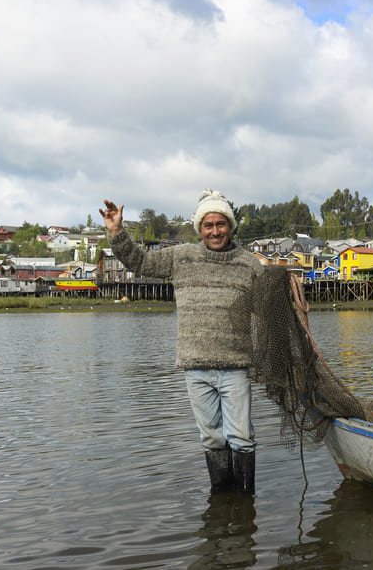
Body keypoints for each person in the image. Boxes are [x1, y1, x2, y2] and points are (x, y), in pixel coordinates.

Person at [100, 189, 265, 494]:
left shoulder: (248, 264)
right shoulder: (181, 257)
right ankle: (222, 495)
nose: (215, 231)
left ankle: (243, 506)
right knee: (213, 439)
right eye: (208, 225)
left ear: (230, 225)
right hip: (196, 367)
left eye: (221, 224)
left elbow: (267, 308)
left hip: (236, 366)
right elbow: (139, 261)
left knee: (241, 438)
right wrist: (116, 231)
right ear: (200, 228)